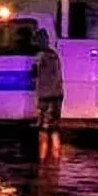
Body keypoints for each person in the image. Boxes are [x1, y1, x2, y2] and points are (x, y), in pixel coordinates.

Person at [34, 29, 64, 161]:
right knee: (55, 129)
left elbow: (35, 73)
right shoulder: (54, 55)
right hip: (58, 94)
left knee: (43, 130)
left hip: (46, 96)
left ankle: (42, 160)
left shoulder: (41, 56)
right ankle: (56, 160)